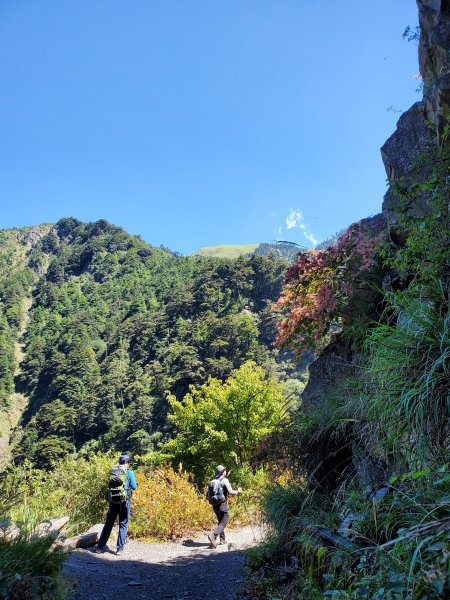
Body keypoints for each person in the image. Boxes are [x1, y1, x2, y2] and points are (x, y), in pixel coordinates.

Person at [93, 454, 137, 556]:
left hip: (113, 502)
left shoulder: (113, 471)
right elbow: (134, 486)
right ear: (126, 463)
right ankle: (119, 550)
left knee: (108, 524)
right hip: (124, 502)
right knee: (123, 524)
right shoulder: (129, 472)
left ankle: (100, 547)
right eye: (128, 462)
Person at [207, 464, 242, 549]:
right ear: (223, 472)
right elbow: (230, 492)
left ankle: (222, 539)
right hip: (222, 504)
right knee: (224, 521)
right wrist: (238, 491)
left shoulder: (213, 480)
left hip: (215, 505)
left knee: (220, 521)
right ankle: (213, 536)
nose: (226, 471)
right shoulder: (224, 480)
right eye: (225, 470)